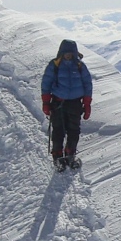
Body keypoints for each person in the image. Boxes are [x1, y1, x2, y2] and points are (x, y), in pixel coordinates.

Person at [40, 39, 92, 170]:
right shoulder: (55, 65)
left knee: (74, 130)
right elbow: (46, 84)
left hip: (75, 103)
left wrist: (87, 105)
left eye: (70, 53)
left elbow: (88, 85)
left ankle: (70, 155)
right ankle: (58, 157)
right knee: (58, 130)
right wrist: (46, 103)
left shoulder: (80, 66)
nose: (68, 55)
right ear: (61, 52)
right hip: (58, 103)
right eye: (66, 53)